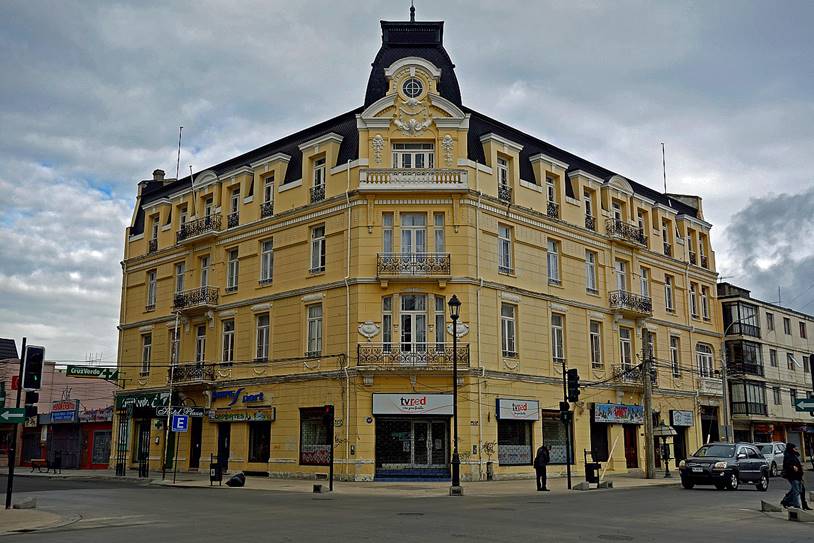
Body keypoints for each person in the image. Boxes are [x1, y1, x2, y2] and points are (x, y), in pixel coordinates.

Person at [780, 442, 803, 509]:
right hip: (792, 475)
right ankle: (797, 505)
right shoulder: (788, 455)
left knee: (798, 490)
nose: (796, 449)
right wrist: (792, 467)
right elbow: (786, 465)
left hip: (798, 475)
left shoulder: (794, 455)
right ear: (791, 449)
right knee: (796, 490)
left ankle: (786, 501)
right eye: (794, 448)